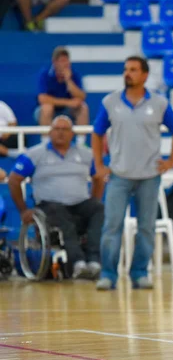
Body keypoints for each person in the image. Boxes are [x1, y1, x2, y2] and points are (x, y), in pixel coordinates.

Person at [92, 56, 173, 290]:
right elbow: (97, 133)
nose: (128, 73)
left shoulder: (160, 103)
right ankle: (108, 274)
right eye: (125, 69)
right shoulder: (110, 102)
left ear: (144, 75)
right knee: (112, 226)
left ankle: (140, 273)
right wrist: (99, 165)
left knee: (146, 228)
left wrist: (172, 159)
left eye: (133, 70)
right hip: (118, 175)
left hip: (149, 176)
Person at [8, 116, 105, 279]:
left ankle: (95, 261)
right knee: (59, 213)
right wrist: (23, 209)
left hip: (79, 204)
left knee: (98, 208)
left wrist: (94, 199)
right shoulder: (35, 154)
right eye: (57, 129)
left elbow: (98, 178)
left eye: (65, 129)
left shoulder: (86, 154)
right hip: (49, 206)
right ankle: (78, 263)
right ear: (49, 132)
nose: (60, 133)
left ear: (72, 134)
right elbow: (14, 180)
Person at [36, 46, 88, 145]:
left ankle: (81, 143)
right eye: (62, 61)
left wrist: (68, 81)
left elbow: (81, 97)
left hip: (68, 111)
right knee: (47, 107)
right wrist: (68, 102)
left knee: (83, 107)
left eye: (66, 61)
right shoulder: (45, 74)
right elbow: (42, 98)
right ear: (54, 62)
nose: (65, 64)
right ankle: (45, 143)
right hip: (46, 112)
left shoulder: (74, 74)